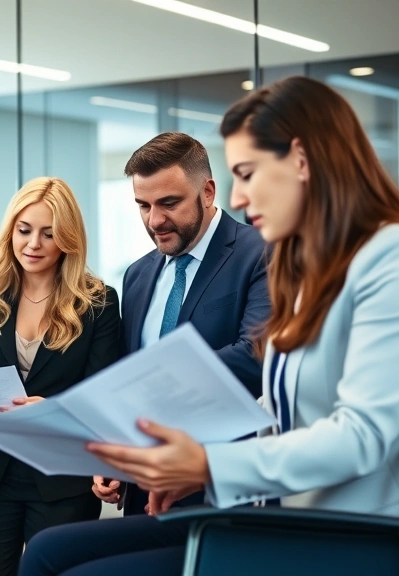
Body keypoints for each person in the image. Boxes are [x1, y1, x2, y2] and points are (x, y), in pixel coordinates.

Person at [19, 75, 399, 576]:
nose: (240, 198)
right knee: (49, 551)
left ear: (302, 161)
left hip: (344, 535)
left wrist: (208, 466)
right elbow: (281, 414)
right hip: (275, 512)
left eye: (247, 173)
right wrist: (201, 469)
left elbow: (363, 436)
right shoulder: (315, 267)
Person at [0, 177, 122, 575]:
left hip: (62, 477)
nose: (33, 244)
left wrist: (54, 410)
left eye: (48, 234)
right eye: (24, 230)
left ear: (67, 238)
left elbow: (103, 395)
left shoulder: (98, 302)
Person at [97, 132, 270, 516]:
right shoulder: (137, 275)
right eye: (143, 206)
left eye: (169, 203)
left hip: (219, 481)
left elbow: (254, 357)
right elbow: (128, 370)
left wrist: (153, 385)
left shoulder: (259, 253)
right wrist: (116, 455)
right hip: (146, 483)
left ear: (207, 192)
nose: (154, 220)